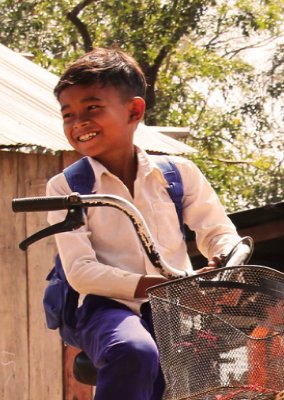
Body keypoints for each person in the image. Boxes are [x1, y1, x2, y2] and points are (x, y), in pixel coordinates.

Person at [46, 47, 241, 400]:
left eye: (92, 108)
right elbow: (81, 271)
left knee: (195, 383)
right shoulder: (67, 187)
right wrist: (160, 287)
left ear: (134, 110)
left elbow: (217, 231)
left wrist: (224, 261)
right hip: (105, 308)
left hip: (176, 310)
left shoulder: (177, 174)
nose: (79, 123)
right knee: (134, 351)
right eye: (68, 114)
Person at [247, 295, 284, 391]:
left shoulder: (255, 333)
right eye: (282, 305)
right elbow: (279, 372)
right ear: (269, 309)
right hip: (271, 393)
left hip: (258, 392)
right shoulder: (272, 336)